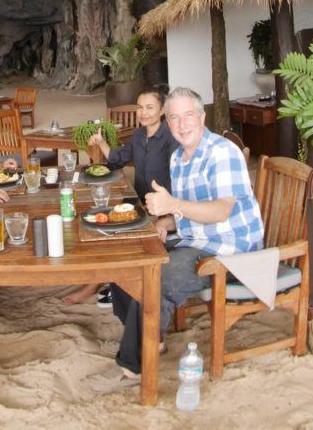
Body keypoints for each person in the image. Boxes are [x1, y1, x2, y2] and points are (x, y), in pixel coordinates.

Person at [110, 86, 264, 380]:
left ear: (202, 117)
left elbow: (220, 212)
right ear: (168, 123)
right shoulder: (179, 157)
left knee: (156, 277)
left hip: (231, 249)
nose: (182, 124)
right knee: (126, 262)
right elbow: (187, 213)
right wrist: (164, 223)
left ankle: (133, 366)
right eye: (174, 118)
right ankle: (152, 338)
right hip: (196, 240)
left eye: (188, 115)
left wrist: (172, 204)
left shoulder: (221, 152)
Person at [63, 89, 175, 308]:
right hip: (140, 201)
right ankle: (106, 282)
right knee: (98, 219)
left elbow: (178, 178)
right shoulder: (139, 135)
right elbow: (119, 159)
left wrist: (163, 206)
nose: (143, 113)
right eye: (139, 107)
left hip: (163, 208)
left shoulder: (171, 138)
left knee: (111, 232)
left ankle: (96, 285)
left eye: (149, 107)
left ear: (162, 110)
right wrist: (101, 142)